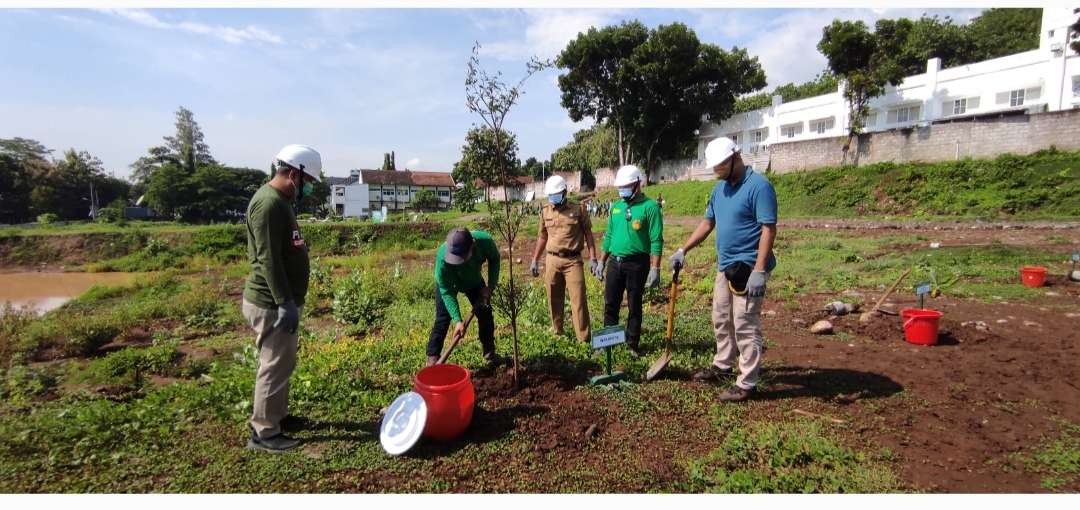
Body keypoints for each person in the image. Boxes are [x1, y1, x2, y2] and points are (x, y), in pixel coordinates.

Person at [669, 137, 777, 402]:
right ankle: (723, 363)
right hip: (725, 265)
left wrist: (759, 270)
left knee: (744, 322)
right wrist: (684, 249)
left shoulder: (759, 186)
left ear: (734, 158)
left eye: (719, 166)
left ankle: (747, 382)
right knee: (720, 316)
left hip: (748, 266)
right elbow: (707, 224)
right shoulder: (720, 190)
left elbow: (768, 229)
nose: (716, 172)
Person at [241, 144, 322, 452]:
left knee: (283, 362)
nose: (310, 187)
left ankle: (278, 416)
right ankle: (264, 432)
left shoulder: (282, 201)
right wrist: (284, 302)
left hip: (281, 300)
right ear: (292, 174)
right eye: (308, 181)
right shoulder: (268, 204)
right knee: (273, 365)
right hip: (270, 303)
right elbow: (267, 259)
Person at [595, 165, 663, 357]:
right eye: (620, 187)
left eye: (626, 186)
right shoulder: (616, 207)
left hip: (637, 264)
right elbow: (608, 235)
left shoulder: (650, 207)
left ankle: (632, 343)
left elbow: (656, 239)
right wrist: (602, 261)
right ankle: (608, 342)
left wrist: (655, 267)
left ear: (637, 184)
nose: (622, 190)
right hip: (614, 263)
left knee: (634, 304)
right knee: (611, 303)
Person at [530, 175, 599, 342]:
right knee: (554, 298)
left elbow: (588, 234)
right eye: (550, 195)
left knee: (578, 300)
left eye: (556, 194)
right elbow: (542, 237)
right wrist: (535, 259)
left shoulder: (579, 209)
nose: (552, 198)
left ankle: (583, 338)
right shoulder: (545, 211)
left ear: (564, 192)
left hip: (573, 261)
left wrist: (593, 258)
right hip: (552, 260)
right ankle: (558, 331)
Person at [426, 227, 505, 368]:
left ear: (472, 245)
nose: (458, 261)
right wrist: (457, 320)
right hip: (449, 283)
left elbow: (494, 259)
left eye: (462, 257)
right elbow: (446, 291)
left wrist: (490, 286)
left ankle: (490, 354)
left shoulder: (484, 241)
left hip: (473, 280)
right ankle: (432, 361)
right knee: (442, 319)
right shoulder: (442, 259)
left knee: (485, 313)